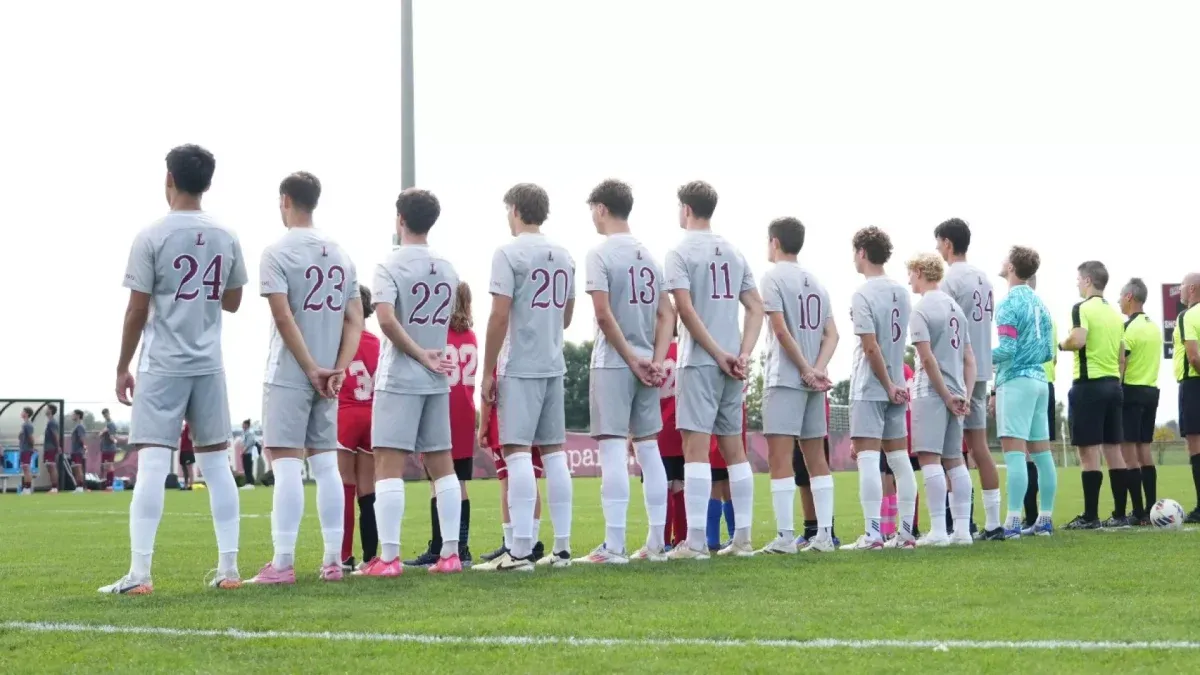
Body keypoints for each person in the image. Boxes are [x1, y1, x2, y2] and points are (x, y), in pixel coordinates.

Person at [100, 144, 246, 595]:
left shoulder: (152, 235)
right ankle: (229, 570)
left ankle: (140, 574)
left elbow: (136, 309)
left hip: (163, 364)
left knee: (151, 465)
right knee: (217, 465)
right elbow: (234, 301)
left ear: (169, 177)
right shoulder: (226, 234)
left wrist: (123, 365)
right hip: (208, 364)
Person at [249, 171, 364, 585]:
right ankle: (333, 561)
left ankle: (283, 562)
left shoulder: (277, 251)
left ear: (285, 200)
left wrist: (311, 367)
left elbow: (283, 316)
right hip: (329, 375)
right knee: (327, 465)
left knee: (285, 465)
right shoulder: (340, 253)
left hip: (291, 372)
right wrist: (338, 367)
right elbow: (356, 318)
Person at [356, 188, 462, 577]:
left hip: (401, 375)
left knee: (387, 462)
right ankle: (450, 554)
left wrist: (418, 354)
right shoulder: (448, 267)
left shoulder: (389, 264)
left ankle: (389, 557)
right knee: (441, 463)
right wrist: (430, 354)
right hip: (437, 376)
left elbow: (385, 320)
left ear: (400, 218)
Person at [477, 183, 576, 573]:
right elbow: (567, 316)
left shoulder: (508, 252)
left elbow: (499, 315)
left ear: (515, 209)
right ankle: (563, 549)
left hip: (520, 363)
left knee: (517, 452)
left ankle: (519, 552)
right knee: (554, 456)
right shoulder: (565, 254)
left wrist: (487, 370)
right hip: (554, 363)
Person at [663, 180, 764, 560]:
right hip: (731, 365)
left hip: (701, 361)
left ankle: (695, 543)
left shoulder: (679, 250)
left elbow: (685, 311)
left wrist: (721, 353)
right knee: (734, 451)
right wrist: (743, 353)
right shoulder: (734, 251)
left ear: (686, 208)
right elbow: (756, 306)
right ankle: (743, 540)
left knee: (695, 451)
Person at [577, 179, 675, 564]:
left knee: (614, 450)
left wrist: (635, 360)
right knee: (649, 449)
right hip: (646, 364)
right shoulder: (649, 256)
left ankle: (614, 546)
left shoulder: (600, 254)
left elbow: (602, 314)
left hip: (615, 363)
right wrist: (655, 357)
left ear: (601, 208)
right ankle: (655, 544)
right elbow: (668, 313)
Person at [756, 217, 837, 554]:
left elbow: (779, 329)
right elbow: (832, 334)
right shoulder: (816, 282)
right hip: (812, 383)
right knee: (816, 456)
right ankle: (823, 535)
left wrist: (805, 369)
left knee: (780, 457)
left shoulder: (772, 277)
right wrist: (817, 370)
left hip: (785, 379)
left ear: (774, 242)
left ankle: (786, 536)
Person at [843, 226, 914, 551]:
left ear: (861, 252)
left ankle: (873, 535)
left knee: (869, 460)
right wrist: (894, 384)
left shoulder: (863, 294)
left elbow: (871, 348)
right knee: (899, 460)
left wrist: (885, 385)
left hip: (872, 386)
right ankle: (907, 533)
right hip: (898, 384)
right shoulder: (902, 291)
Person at [935, 218, 1003, 540]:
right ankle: (992, 524)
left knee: (952, 450)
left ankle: (959, 524)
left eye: (939, 243)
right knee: (979, 447)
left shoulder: (950, 280)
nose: (937, 249)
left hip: (958, 370)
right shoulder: (984, 278)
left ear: (948, 243)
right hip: (983, 368)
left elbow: (945, 328)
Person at [905, 253, 976, 547]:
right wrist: (965, 396)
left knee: (929, 459)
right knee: (956, 462)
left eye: (910, 273)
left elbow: (926, 358)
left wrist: (946, 396)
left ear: (920, 271)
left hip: (931, 393)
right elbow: (969, 359)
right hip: (958, 391)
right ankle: (961, 531)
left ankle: (937, 530)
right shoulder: (956, 309)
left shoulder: (921, 309)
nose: (909, 279)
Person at [406, 281, 479, 567]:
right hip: (465, 409)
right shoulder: (470, 335)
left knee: (439, 482)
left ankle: (440, 546)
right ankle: (461, 546)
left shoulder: (438, 334)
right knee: (459, 482)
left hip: (442, 408)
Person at [990, 247, 1056, 538]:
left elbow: (1006, 349)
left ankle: (1013, 521)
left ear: (1013, 268)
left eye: (1005, 258)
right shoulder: (1042, 304)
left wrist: (977, 357)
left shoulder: (1007, 304)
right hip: (1040, 381)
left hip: (1016, 381)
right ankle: (1045, 519)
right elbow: (1048, 351)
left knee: (1015, 453)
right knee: (1042, 455)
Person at [1060, 261, 1126, 530]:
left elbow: (1077, 340)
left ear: (1087, 280)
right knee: (1114, 451)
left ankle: (1090, 516)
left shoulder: (1081, 308)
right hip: (1113, 385)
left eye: (1078, 279)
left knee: (1088, 453)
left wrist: (1060, 344)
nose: (1076, 283)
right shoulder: (1114, 313)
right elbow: (1123, 356)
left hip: (1089, 385)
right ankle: (1120, 516)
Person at [472, 370, 547, 569]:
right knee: (531, 479)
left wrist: (483, 425)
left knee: (508, 481)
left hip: (507, 419)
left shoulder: (505, 351)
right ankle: (531, 542)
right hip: (535, 415)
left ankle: (512, 545)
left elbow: (489, 388)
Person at [337, 285, 380, 571]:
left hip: (345, 414)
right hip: (372, 415)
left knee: (344, 488)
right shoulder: (376, 342)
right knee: (368, 490)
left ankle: (344, 557)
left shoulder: (339, 341)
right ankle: (370, 556)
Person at [1015, 274, 1058, 533]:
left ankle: (1030, 517)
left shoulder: (1019, 310)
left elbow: (1012, 350)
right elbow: (1052, 355)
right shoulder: (1047, 314)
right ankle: (1043, 518)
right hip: (1046, 384)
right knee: (1042, 453)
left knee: (1024, 453)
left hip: (1024, 383)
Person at [1118, 278, 1159, 525]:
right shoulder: (1153, 327)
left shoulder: (1128, 328)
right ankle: (1153, 508)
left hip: (1131, 392)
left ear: (1129, 297)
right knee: (1145, 450)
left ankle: (1138, 512)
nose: (1119, 301)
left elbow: (1122, 361)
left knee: (1129, 453)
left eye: (1121, 296)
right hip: (1151, 391)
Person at [652, 335, 687, 552]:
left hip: (659, 428)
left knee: (660, 485)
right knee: (680, 486)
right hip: (683, 427)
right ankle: (682, 538)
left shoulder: (657, 352)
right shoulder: (685, 349)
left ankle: (661, 540)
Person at [1174, 273, 1200, 523]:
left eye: (1182, 285)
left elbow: (1193, 356)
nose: (1179, 290)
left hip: (1194, 385)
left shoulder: (1188, 316)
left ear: (1192, 288)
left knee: (1196, 445)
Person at [43, 404, 62, 493]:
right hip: (48, 448)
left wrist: (58, 446)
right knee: (49, 467)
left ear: (50, 410)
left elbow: (56, 435)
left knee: (52, 466)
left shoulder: (52, 422)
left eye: (46, 409)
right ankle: (53, 487)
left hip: (51, 448)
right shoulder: (50, 422)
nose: (45, 410)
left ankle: (55, 487)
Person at [100, 408, 118, 491]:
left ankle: (110, 485)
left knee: (109, 466)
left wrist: (114, 440)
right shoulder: (107, 424)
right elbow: (100, 435)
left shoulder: (111, 424)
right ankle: (108, 484)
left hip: (110, 449)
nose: (105, 416)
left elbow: (112, 437)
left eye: (106, 414)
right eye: (104, 414)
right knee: (106, 467)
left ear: (109, 413)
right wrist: (103, 432)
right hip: (105, 448)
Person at [18, 407, 35, 495]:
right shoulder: (24, 424)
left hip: (26, 450)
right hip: (24, 449)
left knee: (26, 469)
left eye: (23, 411)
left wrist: (32, 447)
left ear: (27, 414)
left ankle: (27, 489)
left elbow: (31, 438)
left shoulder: (27, 425)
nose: (21, 413)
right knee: (25, 469)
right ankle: (26, 488)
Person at [69, 410, 87, 492]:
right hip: (74, 450)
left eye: (74, 414)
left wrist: (84, 446)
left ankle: (80, 487)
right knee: (75, 468)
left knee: (78, 468)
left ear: (78, 415)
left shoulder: (80, 426)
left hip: (78, 451)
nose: (72, 415)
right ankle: (78, 487)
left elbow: (82, 438)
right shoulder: (76, 426)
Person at [239, 420, 259, 490]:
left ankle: (250, 483)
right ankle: (248, 482)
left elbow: (249, 443)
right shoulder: (244, 433)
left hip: (248, 453)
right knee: (246, 468)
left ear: (247, 425)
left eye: (244, 424)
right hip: (245, 453)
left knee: (248, 468)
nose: (242, 426)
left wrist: (243, 450)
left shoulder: (249, 433)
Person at [178, 422, 195, 490]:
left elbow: (191, 437)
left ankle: (190, 485)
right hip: (183, 450)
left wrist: (190, 434)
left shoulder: (189, 425)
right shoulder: (184, 426)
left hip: (188, 450)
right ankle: (185, 485)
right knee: (184, 469)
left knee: (189, 468)